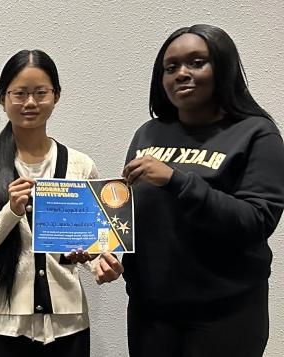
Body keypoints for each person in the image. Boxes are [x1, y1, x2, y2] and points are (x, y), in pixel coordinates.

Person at [122, 24, 284, 357]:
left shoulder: (257, 133)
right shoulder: (148, 134)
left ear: (222, 68)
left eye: (197, 62)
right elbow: (129, 214)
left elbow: (256, 220)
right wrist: (102, 251)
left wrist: (176, 179)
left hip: (225, 314)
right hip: (150, 313)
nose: (181, 73)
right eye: (171, 67)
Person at [0, 49, 123, 357]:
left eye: (40, 93)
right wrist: (10, 211)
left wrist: (102, 263)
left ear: (56, 96)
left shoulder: (80, 165)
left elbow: (92, 243)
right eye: (19, 94)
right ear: (2, 98)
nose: (30, 103)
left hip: (67, 324)